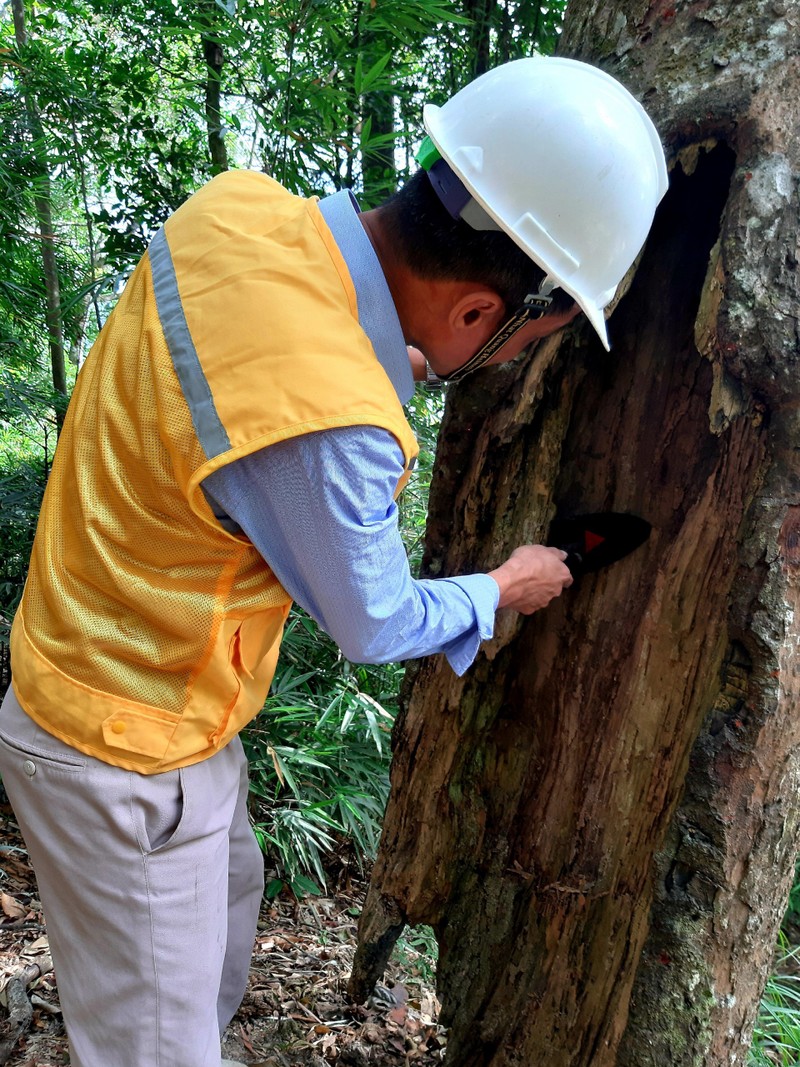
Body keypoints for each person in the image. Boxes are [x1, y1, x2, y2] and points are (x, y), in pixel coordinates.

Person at [0, 57, 667, 1067]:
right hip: (125, 750)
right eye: (528, 337)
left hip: (132, 693)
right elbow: (372, 619)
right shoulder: (332, 418)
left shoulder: (239, 212)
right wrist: (504, 586)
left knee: (204, 968)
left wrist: (365, 364)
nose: (515, 358)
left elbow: (235, 380)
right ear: (480, 314)